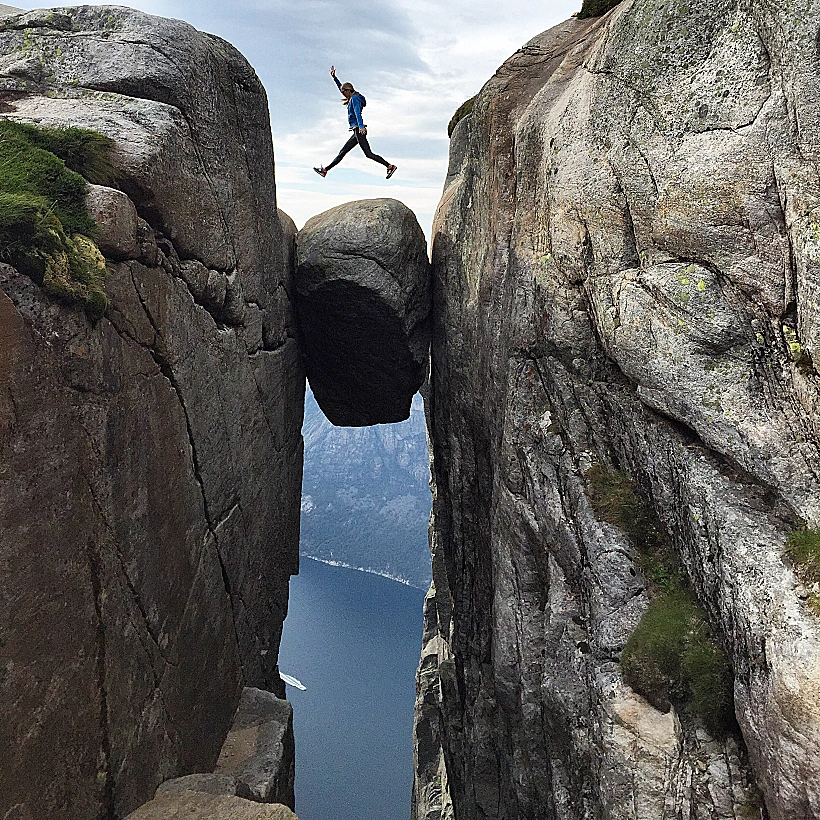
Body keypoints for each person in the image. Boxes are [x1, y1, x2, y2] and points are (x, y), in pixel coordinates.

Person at [314, 66, 397, 179]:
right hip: (356, 130)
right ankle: (325, 170)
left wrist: (361, 127)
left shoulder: (355, 99)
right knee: (343, 152)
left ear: (349, 90)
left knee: (368, 154)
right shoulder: (352, 96)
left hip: (359, 129)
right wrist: (334, 78)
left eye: (344, 92)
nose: (343, 94)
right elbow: (341, 87)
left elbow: (358, 113)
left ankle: (389, 166)